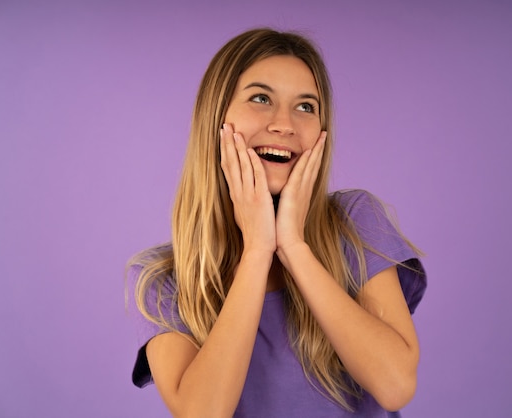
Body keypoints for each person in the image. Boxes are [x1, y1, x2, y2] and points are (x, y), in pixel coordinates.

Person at [126, 28, 427, 418]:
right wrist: (256, 251)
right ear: (216, 119)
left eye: (305, 106)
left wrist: (294, 247)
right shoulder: (162, 278)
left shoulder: (355, 221)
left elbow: (395, 385)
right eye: (261, 98)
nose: (284, 124)